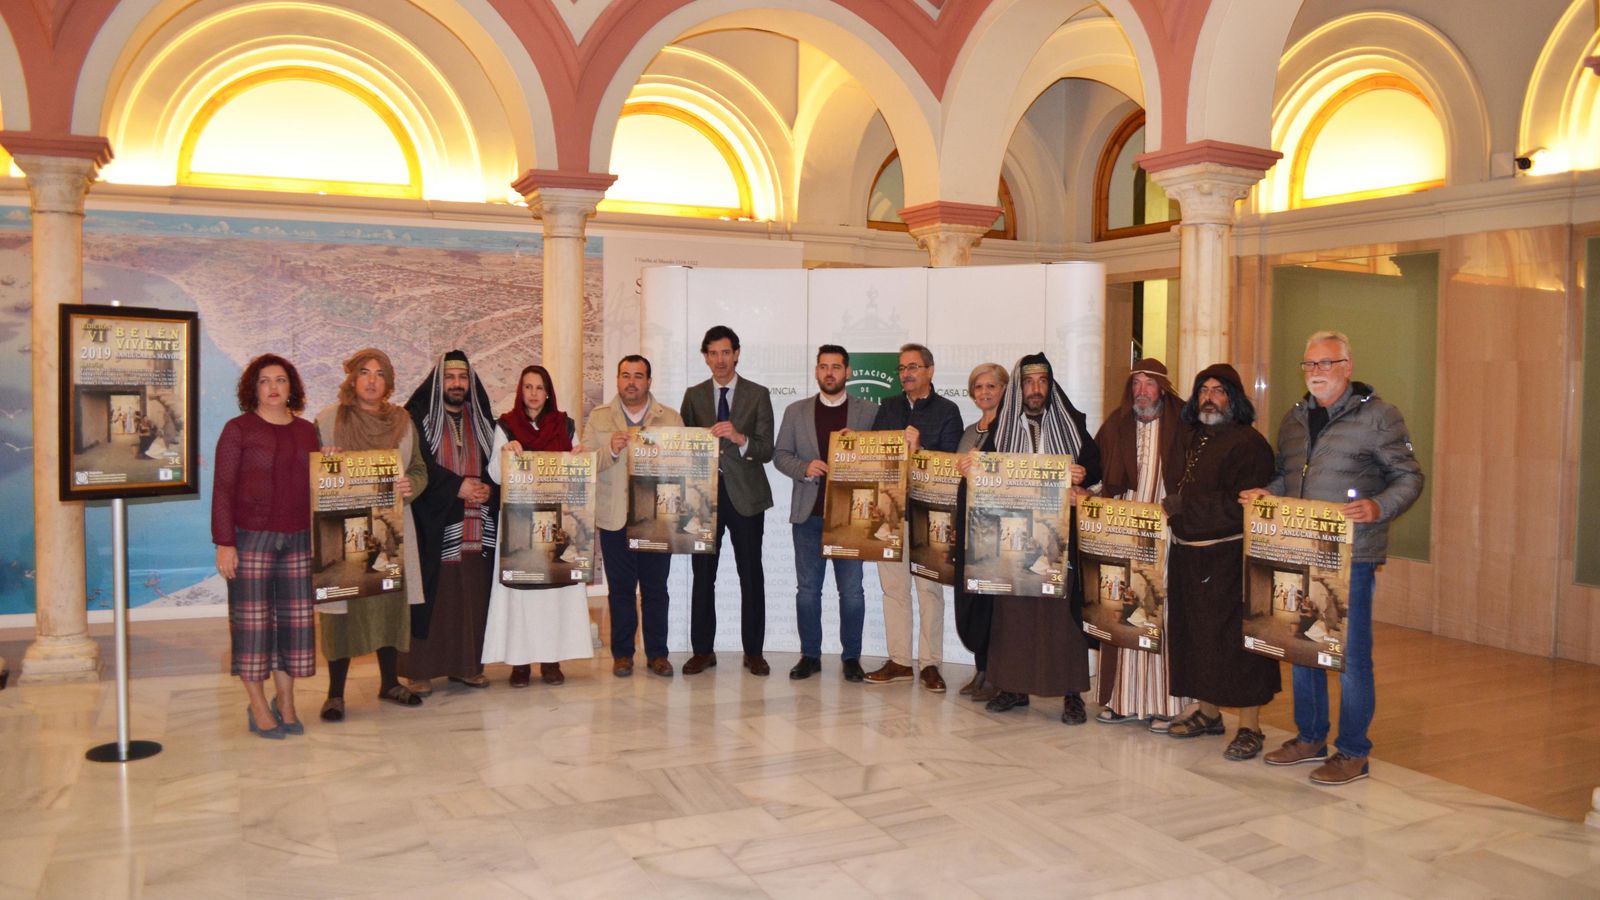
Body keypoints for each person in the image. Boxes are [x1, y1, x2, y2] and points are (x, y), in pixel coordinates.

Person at [1245, 331, 1423, 784]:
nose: (1316, 373)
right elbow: (1286, 478)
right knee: (1304, 645)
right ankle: (1310, 738)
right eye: (1309, 365)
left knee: (1350, 657)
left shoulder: (1379, 417)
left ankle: (1353, 751)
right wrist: (1269, 494)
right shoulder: (1295, 418)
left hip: (1352, 557)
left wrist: (1379, 506)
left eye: (1326, 364)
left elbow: (1408, 477)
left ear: (1347, 366)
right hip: (1298, 549)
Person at [1161, 364, 1279, 758]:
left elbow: (1245, 505)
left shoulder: (1249, 444)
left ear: (1234, 398)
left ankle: (1250, 727)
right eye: (1203, 391)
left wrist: (1184, 506)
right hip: (1190, 557)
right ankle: (1209, 713)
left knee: (1239, 645)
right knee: (1197, 637)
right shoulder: (1196, 437)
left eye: (1219, 391)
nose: (1209, 397)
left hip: (1230, 559)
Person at [975, 352, 1099, 724]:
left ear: (1050, 385)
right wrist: (972, 465)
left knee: (1062, 616)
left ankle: (1071, 693)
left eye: (1042, 382)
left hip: (1058, 538)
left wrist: (1083, 475)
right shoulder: (1001, 428)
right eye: (1029, 382)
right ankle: (1013, 686)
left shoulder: (1071, 424)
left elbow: (1097, 467)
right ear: (1019, 387)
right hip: (1014, 539)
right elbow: (985, 474)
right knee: (1014, 615)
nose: (1035, 389)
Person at [312, 348, 429, 721]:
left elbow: (420, 470)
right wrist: (325, 460)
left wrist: (411, 484)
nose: (372, 380)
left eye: (380, 373)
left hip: (388, 533)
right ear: (352, 378)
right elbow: (309, 474)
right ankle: (334, 694)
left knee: (387, 604)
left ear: (389, 382)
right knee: (342, 609)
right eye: (364, 372)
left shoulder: (403, 423)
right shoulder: (328, 421)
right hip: (341, 533)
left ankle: (390, 681)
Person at [211, 353, 319, 739]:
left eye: (281, 380)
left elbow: (319, 483)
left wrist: (333, 465)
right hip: (250, 538)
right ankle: (258, 706)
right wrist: (225, 543)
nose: (273, 387)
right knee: (254, 629)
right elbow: (222, 489)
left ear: (292, 387)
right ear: (253, 389)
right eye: (264, 381)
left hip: (299, 539)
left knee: (294, 626)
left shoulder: (308, 431)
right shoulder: (238, 429)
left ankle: (286, 702)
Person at [1091, 359, 1190, 729]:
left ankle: (1165, 704)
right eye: (1137, 384)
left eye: (1150, 384)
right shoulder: (1117, 424)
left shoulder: (1184, 425)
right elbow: (1101, 476)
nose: (1142, 392)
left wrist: (1174, 509)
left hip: (1167, 534)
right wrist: (1086, 492)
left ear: (1162, 387)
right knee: (1122, 612)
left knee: (1160, 615)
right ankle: (1121, 700)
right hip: (1122, 530)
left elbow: (1196, 481)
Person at [772, 345, 879, 681]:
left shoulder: (869, 411)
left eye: (836, 366)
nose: (829, 372)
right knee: (807, 591)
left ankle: (851, 658)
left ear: (847, 372)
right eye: (823, 366)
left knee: (852, 592)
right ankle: (810, 656)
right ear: (816, 371)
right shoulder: (796, 411)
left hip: (852, 519)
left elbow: (884, 459)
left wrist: (860, 445)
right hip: (808, 516)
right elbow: (780, 455)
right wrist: (805, 468)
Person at [483, 365, 594, 687]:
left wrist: (580, 457)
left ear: (548, 392)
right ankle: (520, 664)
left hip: (556, 524)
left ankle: (551, 661)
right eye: (528, 387)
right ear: (521, 391)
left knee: (554, 596)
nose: (533, 393)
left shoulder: (565, 425)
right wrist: (506, 454)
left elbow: (577, 469)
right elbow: (494, 475)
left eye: (539, 387)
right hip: (519, 526)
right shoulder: (506, 426)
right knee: (521, 595)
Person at [863, 343, 963, 692]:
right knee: (893, 590)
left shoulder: (948, 411)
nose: (906, 373)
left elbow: (952, 466)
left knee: (929, 590)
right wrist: (852, 447)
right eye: (902, 368)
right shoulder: (888, 406)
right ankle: (901, 661)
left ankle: (931, 663)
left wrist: (919, 451)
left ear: (930, 371)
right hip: (889, 512)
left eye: (914, 367)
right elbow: (875, 454)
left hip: (930, 515)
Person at [679, 326, 776, 676]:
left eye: (725, 353)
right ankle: (703, 650)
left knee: (751, 575)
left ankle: (754, 652)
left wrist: (739, 437)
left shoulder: (758, 394)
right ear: (705, 357)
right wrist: (695, 445)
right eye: (712, 353)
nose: (719, 360)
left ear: (737, 354)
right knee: (703, 576)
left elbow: (766, 450)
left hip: (747, 499)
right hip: (703, 501)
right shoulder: (693, 396)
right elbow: (682, 448)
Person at [401, 350, 499, 693]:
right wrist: (456, 486)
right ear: (439, 382)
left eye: (462, 378)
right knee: (433, 595)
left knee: (471, 595)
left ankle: (466, 666)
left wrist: (487, 488)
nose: (457, 384)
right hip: (434, 523)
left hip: (476, 525)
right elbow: (416, 465)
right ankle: (421, 670)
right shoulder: (416, 420)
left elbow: (496, 464)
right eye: (450, 378)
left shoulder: (485, 421)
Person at [586, 355, 683, 677]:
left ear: (649, 381)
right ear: (617, 380)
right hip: (615, 518)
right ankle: (623, 655)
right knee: (622, 590)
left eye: (638, 376)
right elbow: (586, 464)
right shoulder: (600, 418)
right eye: (625, 375)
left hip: (656, 518)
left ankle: (658, 654)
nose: (631, 382)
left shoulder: (670, 418)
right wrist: (610, 451)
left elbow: (684, 466)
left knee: (656, 590)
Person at [954, 362, 1007, 701]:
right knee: (972, 599)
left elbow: (1015, 474)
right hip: (970, 523)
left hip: (999, 528)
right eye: (978, 387)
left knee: (994, 604)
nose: (984, 393)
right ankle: (981, 669)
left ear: (1004, 390)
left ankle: (997, 673)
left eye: (991, 386)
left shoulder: (1010, 430)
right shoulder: (970, 430)